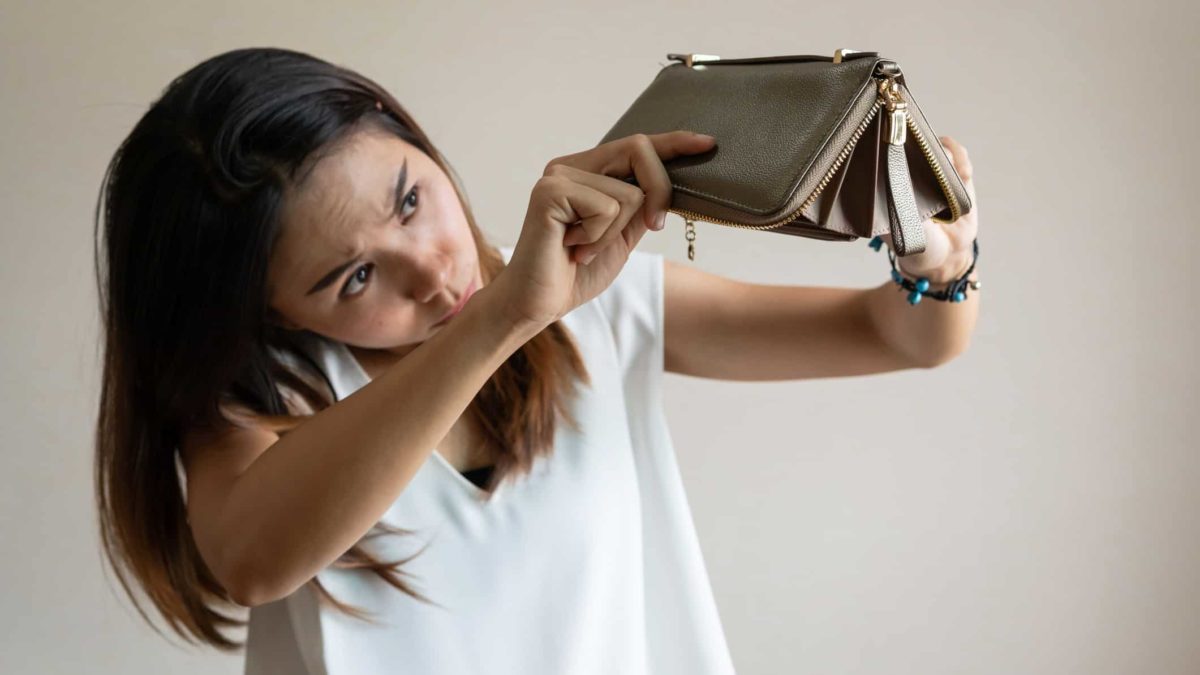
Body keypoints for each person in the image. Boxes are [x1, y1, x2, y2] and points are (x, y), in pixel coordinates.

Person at [93, 47, 980, 675]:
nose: (433, 268)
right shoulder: (264, 406)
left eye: (411, 199)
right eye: (354, 276)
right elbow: (253, 560)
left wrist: (938, 259)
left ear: (413, 137)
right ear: (264, 313)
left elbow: (904, 336)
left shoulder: (609, 309)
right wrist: (509, 311)